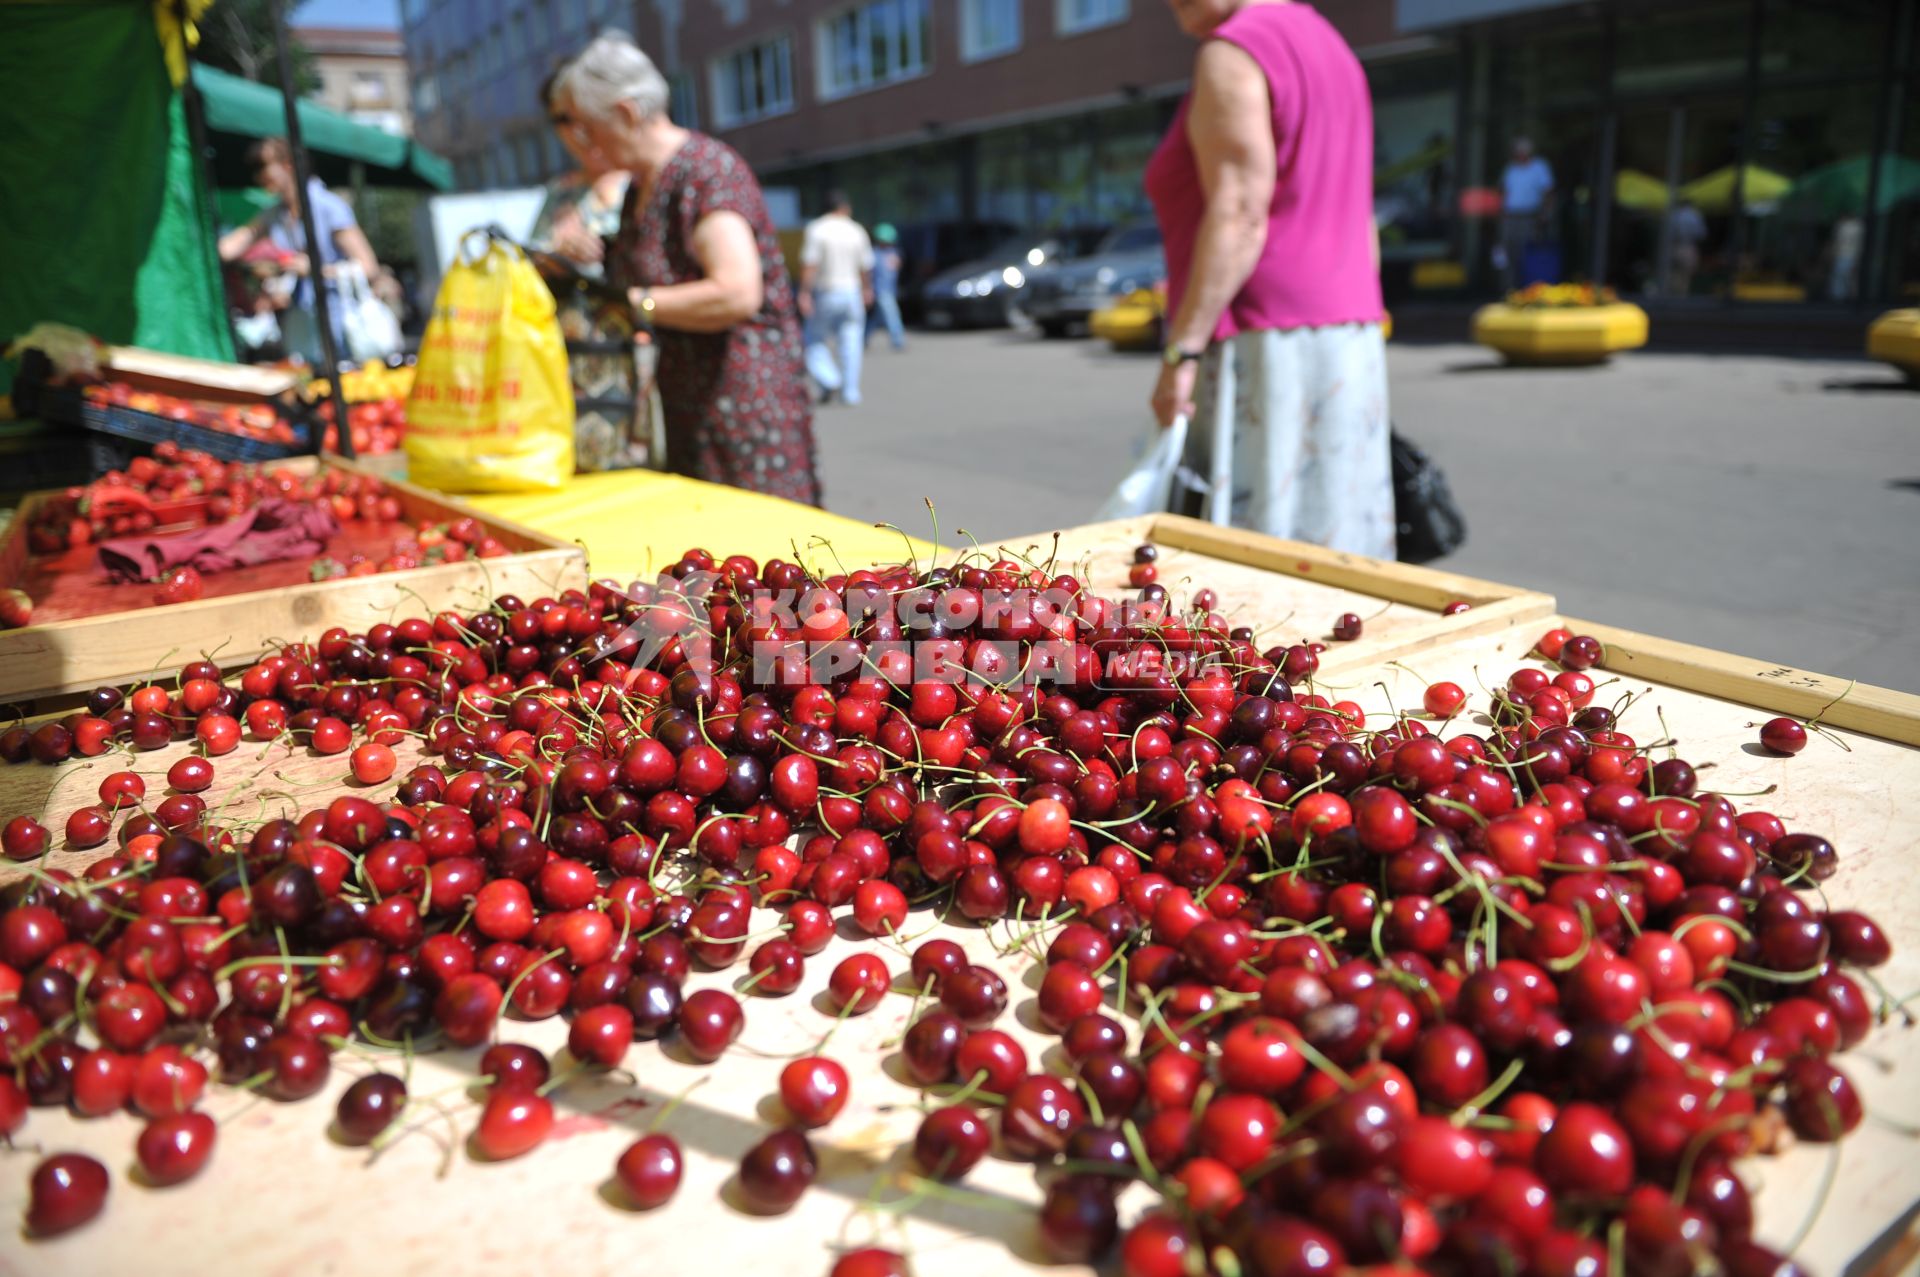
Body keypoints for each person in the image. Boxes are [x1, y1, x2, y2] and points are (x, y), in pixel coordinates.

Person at [1144, 0, 1392, 559]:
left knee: (1257, 551)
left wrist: (1181, 354)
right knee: (1336, 540)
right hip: (1347, 331)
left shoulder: (1233, 50)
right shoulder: (1334, 47)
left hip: (1261, 333)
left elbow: (1240, 213)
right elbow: (1359, 214)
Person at [551, 32, 820, 505]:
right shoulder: (641, 186)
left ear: (626, 114)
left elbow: (736, 292)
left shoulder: (705, 171)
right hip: (690, 405)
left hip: (743, 407)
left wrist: (638, 304)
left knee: (769, 561)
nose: (583, 143)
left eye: (587, 128)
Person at [533, 70, 640, 473]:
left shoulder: (640, 183)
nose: (576, 131)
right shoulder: (560, 191)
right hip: (566, 368)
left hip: (630, 364)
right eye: (562, 120)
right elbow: (526, 270)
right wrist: (554, 253)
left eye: (580, 116)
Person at [217, 138, 393, 367]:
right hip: (304, 328)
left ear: (288, 164)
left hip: (343, 324)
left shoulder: (328, 207)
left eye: (263, 166)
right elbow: (233, 245)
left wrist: (315, 270)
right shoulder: (275, 214)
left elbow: (368, 267)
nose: (258, 176)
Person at [800, 191, 874, 405]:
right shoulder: (856, 229)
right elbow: (865, 266)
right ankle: (850, 391)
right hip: (852, 291)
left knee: (813, 340)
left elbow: (810, 264)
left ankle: (829, 378)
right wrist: (867, 289)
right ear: (845, 207)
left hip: (827, 291)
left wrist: (804, 293)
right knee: (852, 342)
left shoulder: (817, 229)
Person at [1498, 137, 1554, 289]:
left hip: (1529, 216)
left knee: (1527, 253)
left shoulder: (1539, 167)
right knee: (1508, 253)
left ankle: (1527, 289)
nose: (1519, 154)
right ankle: (1508, 289)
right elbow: (1504, 192)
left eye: (1522, 151)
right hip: (1510, 216)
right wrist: (1502, 213)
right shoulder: (1511, 168)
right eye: (1517, 152)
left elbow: (1547, 192)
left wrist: (1545, 214)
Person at [867, 222, 907, 352]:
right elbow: (868, 274)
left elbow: (896, 268)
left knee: (875, 319)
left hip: (890, 289)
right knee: (892, 315)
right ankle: (898, 340)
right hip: (880, 290)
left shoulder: (894, 252)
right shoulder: (874, 254)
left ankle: (863, 339)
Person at [1666, 198, 1707, 296]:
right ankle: (1681, 296)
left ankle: (1673, 295)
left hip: (1674, 247)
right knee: (1685, 275)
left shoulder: (1674, 215)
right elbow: (1701, 234)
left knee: (1674, 273)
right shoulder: (1695, 215)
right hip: (1688, 247)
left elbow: (1668, 233)